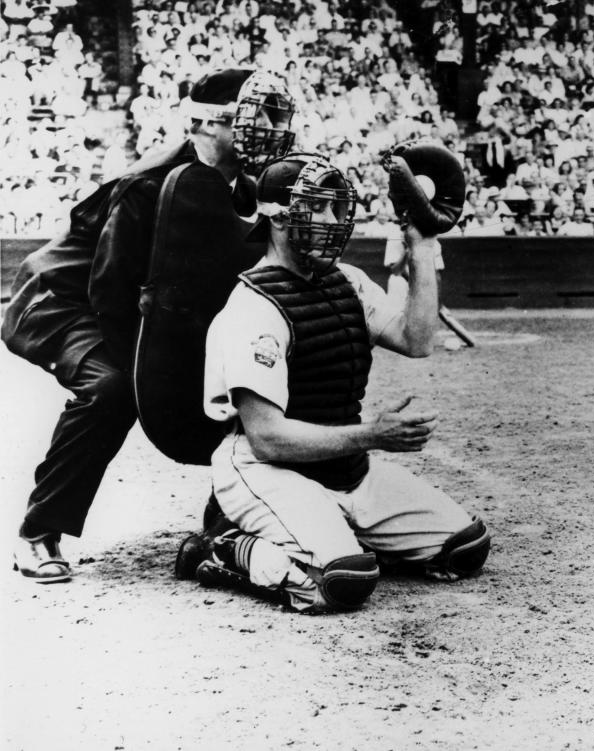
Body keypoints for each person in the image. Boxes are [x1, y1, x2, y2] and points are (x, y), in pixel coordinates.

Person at [3, 68, 297, 583]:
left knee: (241, 386)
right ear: (208, 125)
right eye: (253, 119)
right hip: (64, 303)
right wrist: (150, 373)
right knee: (113, 390)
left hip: (132, 307)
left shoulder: (245, 192)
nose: (268, 130)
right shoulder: (148, 183)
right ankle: (39, 532)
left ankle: (227, 524)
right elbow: (109, 288)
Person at [176, 153, 491, 612]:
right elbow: (267, 439)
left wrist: (422, 243)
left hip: (345, 468)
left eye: (336, 208)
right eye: (318, 208)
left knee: (464, 547)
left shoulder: (347, 281)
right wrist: (373, 435)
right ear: (279, 218)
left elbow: (416, 338)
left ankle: (331, 531)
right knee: (341, 581)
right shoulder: (252, 309)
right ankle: (223, 545)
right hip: (269, 470)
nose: (333, 220)